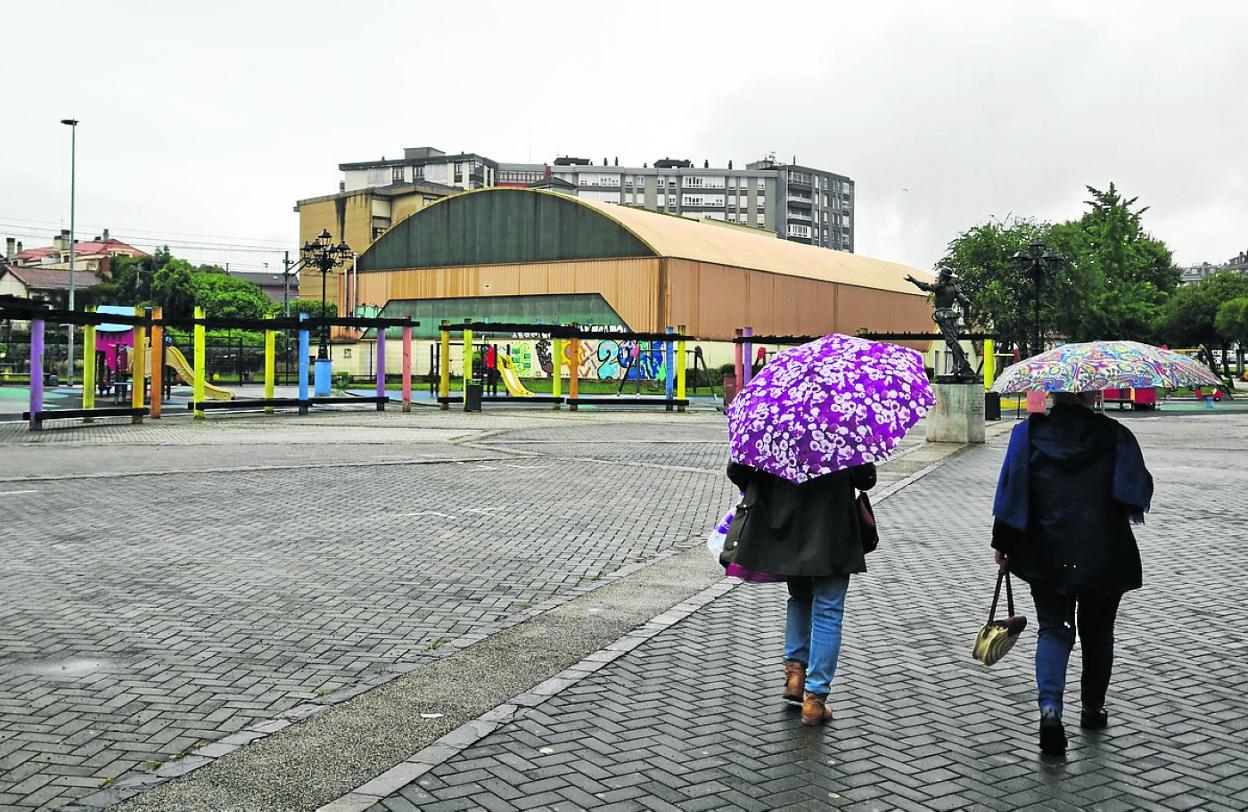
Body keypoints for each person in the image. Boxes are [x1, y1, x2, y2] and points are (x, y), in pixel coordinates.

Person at [991, 391, 1153, 755]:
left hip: (1046, 552)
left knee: (1053, 629)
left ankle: (1050, 709)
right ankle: (1092, 709)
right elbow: (1136, 493)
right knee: (1098, 633)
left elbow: (1012, 493)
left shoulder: (1027, 435)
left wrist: (1003, 544)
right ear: (1093, 395)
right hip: (1104, 553)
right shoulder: (1116, 435)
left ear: (1054, 394)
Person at [724, 461, 877, 726]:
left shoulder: (772, 433)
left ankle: (795, 677)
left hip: (788, 525)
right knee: (828, 609)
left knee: (800, 598)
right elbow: (865, 479)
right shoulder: (842, 433)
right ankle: (814, 700)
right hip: (833, 527)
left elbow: (738, 469)